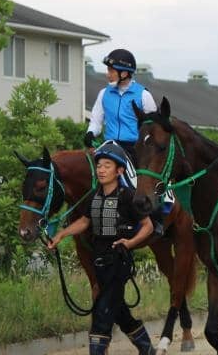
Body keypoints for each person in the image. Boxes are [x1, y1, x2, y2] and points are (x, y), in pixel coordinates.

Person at [47, 143, 156, 355]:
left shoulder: (128, 196)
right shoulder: (94, 196)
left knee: (102, 312)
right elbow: (84, 221)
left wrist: (130, 243)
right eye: (99, 166)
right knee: (119, 311)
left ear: (119, 171)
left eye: (107, 166)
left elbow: (148, 226)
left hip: (118, 261)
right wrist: (61, 235)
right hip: (99, 262)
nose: (101, 170)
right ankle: (147, 348)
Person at [84, 49, 157, 167]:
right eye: (108, 70)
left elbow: (154, 127)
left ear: (124, 73)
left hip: (135, 150)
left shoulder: (144, 95)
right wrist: (90, 133)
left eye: (111, 71)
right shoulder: (103, 94)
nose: (107, 74)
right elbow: (96, 122)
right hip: (110, 146)